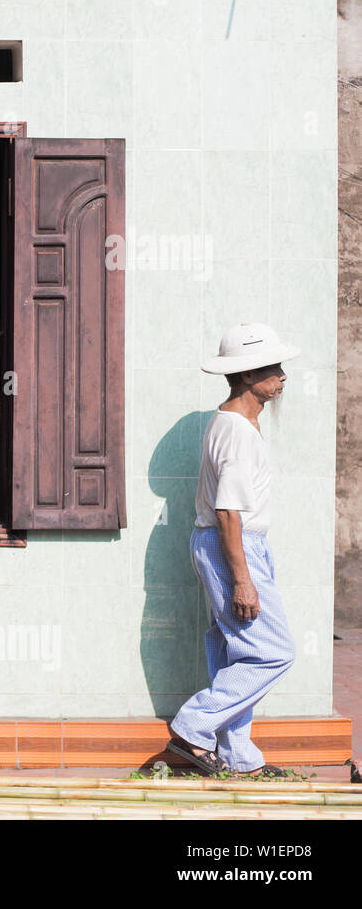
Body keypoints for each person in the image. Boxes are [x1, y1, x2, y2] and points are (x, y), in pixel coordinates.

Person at [166, 322, 300, 778]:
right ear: (245, 375)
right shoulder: (238, 432)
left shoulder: (232, 423)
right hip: (232, 545)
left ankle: (238, 757)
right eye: (273, 368)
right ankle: (192, 726)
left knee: (238, 652)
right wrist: (243, 578)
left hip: (233, 545)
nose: (282, 376)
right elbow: (227, 512)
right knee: (273, 652)